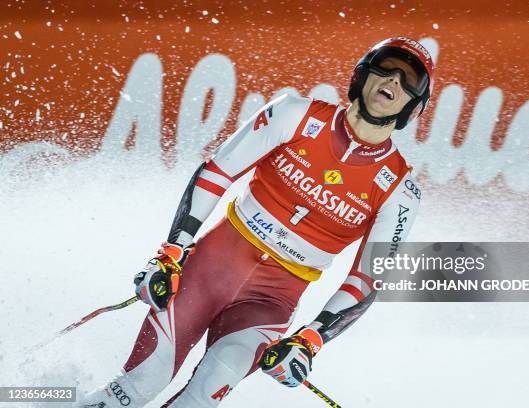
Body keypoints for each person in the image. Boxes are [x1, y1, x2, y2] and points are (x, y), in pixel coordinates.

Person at [78, 36, 434, 407]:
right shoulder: (295, 114)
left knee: (202, 397)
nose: (393, 81)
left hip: (270, 303)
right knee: (136, 388)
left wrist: (310, 340)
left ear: (415, 106)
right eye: (386, 67)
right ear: (362, 75)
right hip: (209, 271)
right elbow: (216, 173)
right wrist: (169, 253)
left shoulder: (400, 191)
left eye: (409, 80)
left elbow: (365, 280)